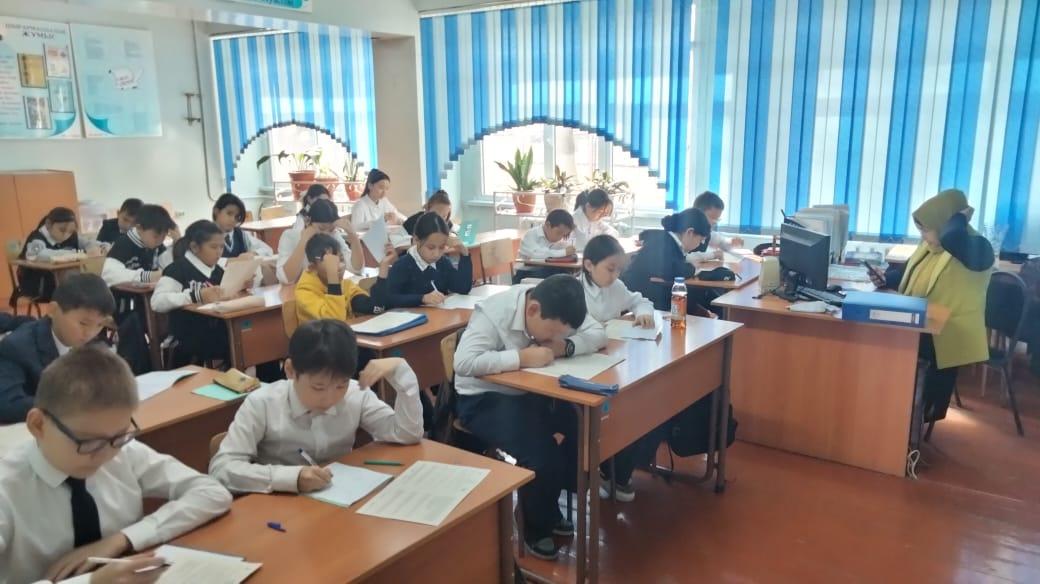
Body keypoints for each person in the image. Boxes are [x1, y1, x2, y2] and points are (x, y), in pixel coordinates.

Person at [0, 345, 232, 583]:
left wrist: (122, 539)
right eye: (88, 442)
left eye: (119, 437)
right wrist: (92, 582)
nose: (106, 455)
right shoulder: (7, 488)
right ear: (38, 425)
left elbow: (212, 492)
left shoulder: (123, 451)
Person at [453, 275, 606, 560]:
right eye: (552, 333)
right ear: (533, 310)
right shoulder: (494, 313)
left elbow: (598, 333)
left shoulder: (560, 306)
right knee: (542, 454)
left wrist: (567, 346)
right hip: (484, 399)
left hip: (533, 392)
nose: (552, 338)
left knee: (585, 427)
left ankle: (547, 503)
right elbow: (463, 363)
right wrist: (520, 358)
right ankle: (533, 526)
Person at [209, 319, 423, 494]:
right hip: (279, 506)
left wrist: (400, 371)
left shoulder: (355, 393)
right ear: (291, 371)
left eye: (340, 385)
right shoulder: (263, 403)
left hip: (341, 499)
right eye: (318, 387)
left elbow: (406, 433)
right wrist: (291, 478)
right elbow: (221, 469)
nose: (330, 397)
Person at [869, 189, 993, 426]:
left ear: (945, 223)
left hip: (947, 335)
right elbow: (908, 273)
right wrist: (886, 279)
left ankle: (905, 425)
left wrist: (959, 216)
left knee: (892, 354)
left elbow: (952, 237)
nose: (923, 236)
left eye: (926, 230)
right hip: (921, 325)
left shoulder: (977, 247)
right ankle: (887, 420)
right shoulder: (929, 246)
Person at [0, 274, 115, 424]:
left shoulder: (94, 344)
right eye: (83, 323)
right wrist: (72, 404)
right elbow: (7, 404)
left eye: (99, 325)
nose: (90, 333)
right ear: (53, 310)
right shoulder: (17, 347)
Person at [152, 220, 257, 367]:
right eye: (213, 247)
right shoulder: (177, 270)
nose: (219, 252)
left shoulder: (218, 271)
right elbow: (157, 302)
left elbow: (225, 296)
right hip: (189, 335)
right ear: (195, 247)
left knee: (257, 337)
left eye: (222, 247)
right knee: (245, 342)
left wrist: (241, 287)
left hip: (218, 330)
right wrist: (196, 296)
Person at [621, 208, 715, 315]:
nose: (699, 244)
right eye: (700, 240)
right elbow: (672, 270)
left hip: (650, 293)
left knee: (700, 296)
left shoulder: (668, 240)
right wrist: (692, 268)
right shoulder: (663, 242)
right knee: (696, 296)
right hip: (639, 297)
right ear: (690, 232)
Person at [295, 233, 393, 323]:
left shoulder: (346, 285)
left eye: (341, 259)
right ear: (313, 267)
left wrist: (384, 267)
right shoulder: (304, 292)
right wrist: (333, 277)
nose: (340, 266)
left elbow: (375, 307)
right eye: (331, 263)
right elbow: (335, 323)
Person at [385, 212, 472, 308]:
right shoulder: (402, 266)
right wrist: (422, 298)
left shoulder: (442, 262)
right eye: (431, 248)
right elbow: (389, 299)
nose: (436, 254)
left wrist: (464, 253)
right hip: (413, 316)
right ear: (416, 240)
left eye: (442, 247)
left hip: (439, 315)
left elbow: (463, 288)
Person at [277, 199, 363, 284]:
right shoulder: (290, 237)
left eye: (331, 229)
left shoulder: (334, 235)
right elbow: (285, 279)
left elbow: (356, 269)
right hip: (300, 290)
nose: (326, 234)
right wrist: (303, 241)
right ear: (308, 221)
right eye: (321, 228)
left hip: (328, 288)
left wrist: (353, 236)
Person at [101, 204, 177, 288]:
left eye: (163, 237)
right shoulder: (124, 243)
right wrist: (147, 276)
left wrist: (177, 242)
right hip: (125, 295)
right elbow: (108, 275)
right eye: (155, 236)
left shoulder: (156, 245)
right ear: (139, 228)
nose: (159, 241)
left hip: (148, 293)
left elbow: (169, 267)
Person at [16, 207, 82, 303]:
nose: (66, 235)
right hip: (38, 285)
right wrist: (69, 253)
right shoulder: (37, 238)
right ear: (48, 224)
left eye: (71, 231)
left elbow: (87, 243)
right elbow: (37, 254)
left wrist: (97, 247)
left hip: (60, 281)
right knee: (74, 290)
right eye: (62, 230)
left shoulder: (71, 235)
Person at [514, 209, 577, 283]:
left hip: (547, 272)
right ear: (548, 225)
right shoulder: (531, 235)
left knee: (568, 275)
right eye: (559, 233)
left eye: (564, 235)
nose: (560, 237)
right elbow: (535, 255)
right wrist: (564, 252)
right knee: (558, 276)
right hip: (526, 273)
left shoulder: (560, 241)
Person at [212, 193, 273, 259]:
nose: (233, 220)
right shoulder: (207, 234)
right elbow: (207, 260)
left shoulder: (240, 234)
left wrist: (253, 253)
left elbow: (268, 250)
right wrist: (233, 260)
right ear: (216, 211)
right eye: (229, 213)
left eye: (237, 217)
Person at [688, 191, 744, 262]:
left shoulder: (708, 233)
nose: (714, 222)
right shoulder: (687, 231)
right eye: (712, 217)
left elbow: (721, 242)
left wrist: (731, 242)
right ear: (697, 213)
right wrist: (713, 255)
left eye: (717, 219)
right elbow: (685, 257)